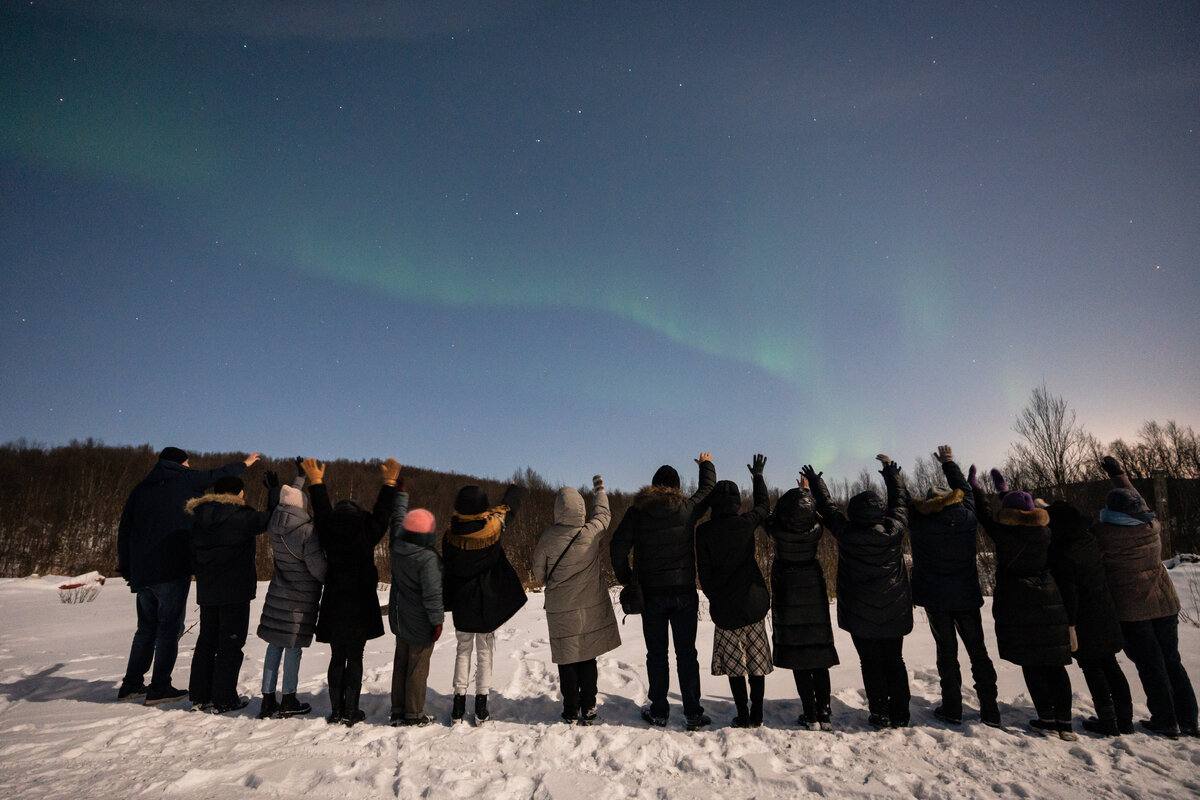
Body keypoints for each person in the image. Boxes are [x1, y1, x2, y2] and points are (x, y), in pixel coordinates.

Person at [116, 447, 259, 705]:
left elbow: (125, 529)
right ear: (182, 463)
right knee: (169, 629)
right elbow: (220, 474)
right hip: (171, 567)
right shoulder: (186, 478)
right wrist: (245, 464)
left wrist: (126, 567)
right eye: (188, 461)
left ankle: (131, 685)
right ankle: (159, 687)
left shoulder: (141, 489)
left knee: (145, 629)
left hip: (142, 571)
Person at [1093, 456, 1198, 739]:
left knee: (1150, 665)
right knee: (1172, 660)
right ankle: (1189, 719)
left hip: (1132, 609)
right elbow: (1135, 499)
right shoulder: (1152, 526)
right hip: (1164, 603)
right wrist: (1119, 475)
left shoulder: (1106, 534)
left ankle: (1165, 719)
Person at [610, 453, 717, 731]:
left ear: (653, 486)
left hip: (652, 596)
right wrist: (706, 464)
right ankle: (693, 713)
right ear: (677, 487)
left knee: (656, 654)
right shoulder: (686, 509)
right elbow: (707, 490)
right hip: (683, 594)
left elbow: (617, 547)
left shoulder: (638, 512)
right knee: (687, 654)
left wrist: (626, 578)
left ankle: (659, 710)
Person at [804, 454, 912, 729]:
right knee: (895, 660)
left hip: (860, 612)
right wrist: (891, 473)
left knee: (870, 661)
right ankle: (900, 713)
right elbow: (899, 502)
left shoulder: (846, 532)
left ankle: (879, 712)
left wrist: (816, 483)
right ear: (879, 512)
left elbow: (827, 509)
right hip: (894, 609)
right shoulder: (894, 530)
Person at [971, 467, 1075, 740]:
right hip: (1048, 597)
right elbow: (1021, 507)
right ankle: (1065, 722)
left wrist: (977, 488)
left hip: (1018, 600)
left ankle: (1046, 717)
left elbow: (984, 513)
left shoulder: (1004, 533)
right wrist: (1004, 490)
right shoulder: (1045, 532)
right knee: (1055, 664)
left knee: (1032, 661)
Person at [908, 445, 999, 727]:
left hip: (937, 600)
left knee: (946, 654)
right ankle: (990, 709)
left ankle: (952, 708)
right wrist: (948, 463)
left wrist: (892, 475)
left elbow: (902, 502)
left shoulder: (920, 524)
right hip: (967, 596)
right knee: (978, 652)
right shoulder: (968, 517)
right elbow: (966, 490)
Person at [306, 456, 400, 726]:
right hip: (360, 602)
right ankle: (351, 709)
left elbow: (321, 508)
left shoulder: (327, 528)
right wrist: (390, 483)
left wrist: (316, 481)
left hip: (335, 599)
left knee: (337, 655)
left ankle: (336, 710)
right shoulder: (366, 530)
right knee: (355, 655)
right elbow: (383, 513)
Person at [186, 472, 279, 713]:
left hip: (207, 589)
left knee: (207, 640)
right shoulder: (240, 516)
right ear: (238, 493)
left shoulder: (199, 517)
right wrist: (274, 492)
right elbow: (270, 519)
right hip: (235, 590)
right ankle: (223, 698)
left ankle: (199, 696)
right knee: (230, 643)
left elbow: (190, 551)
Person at [532, 474, 619, 725]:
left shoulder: (548, 538)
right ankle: (589, 707)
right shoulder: (590, 533)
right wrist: (600, 491)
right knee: (587, 657)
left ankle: (570, 709)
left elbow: (539, 574)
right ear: (580, 507)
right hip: (588, 608)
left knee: (567, 659)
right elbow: (604, 516)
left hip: (561, 609)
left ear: (558, 510)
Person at [696, 455, 773, 728]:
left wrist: (716, 598)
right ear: (737, 503)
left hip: (726, 609)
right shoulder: (745, 523)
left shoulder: (703, 532)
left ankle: (743, 714)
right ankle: (758, 714)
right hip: (752, 605)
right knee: (756, 662)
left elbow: (704, 574)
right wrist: (759, 478)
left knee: (735, 665)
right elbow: (764, 506)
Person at [1045, 495, 1132, 736]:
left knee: (1092, 667)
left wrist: (1070, 625)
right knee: (1111, 664)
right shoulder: (1089, 540)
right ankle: (1125, 719)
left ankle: (1108, 719)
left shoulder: (1061, 551)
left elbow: (1070, 592)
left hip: (1084, 617)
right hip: (1105, 609)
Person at [443, 482, 527, 724]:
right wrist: (514, 490)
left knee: (462, 651)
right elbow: (507, 511)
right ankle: (481, 706)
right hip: (487, 601)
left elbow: (447, 567)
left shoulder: (450, 535)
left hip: (462, 601)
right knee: (484, 652)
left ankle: (458, 706)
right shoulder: (493, 528)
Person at [765, 476, 839, 731]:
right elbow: (814, 511)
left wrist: (797, 491)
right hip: (813, 593)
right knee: (818, 654)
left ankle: (810, 713)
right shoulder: (816, 529)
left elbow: (770, 515)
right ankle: (825, 711)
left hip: (788, 594)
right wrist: (806, 491)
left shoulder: (777, 532)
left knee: (799, 657)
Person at [255, 459, 326, 719]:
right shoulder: (307, 531)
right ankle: (288, 698)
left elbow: (287, 501)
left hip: (277, 594)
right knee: (293, 647)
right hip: (300, 598)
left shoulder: (275, 522)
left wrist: (299, 479)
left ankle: (267, 699)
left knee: (274, 645)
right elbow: (318, 568)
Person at [387, 486, 444, 727]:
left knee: (401, 663)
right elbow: (432, 594)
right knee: (417, 667)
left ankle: (398, 710)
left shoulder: (396, 544)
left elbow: (398, 519)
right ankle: (414, 714)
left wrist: (401, 496)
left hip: (399, 617)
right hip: (420, 620)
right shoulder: (427, 558)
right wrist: (437, 621)